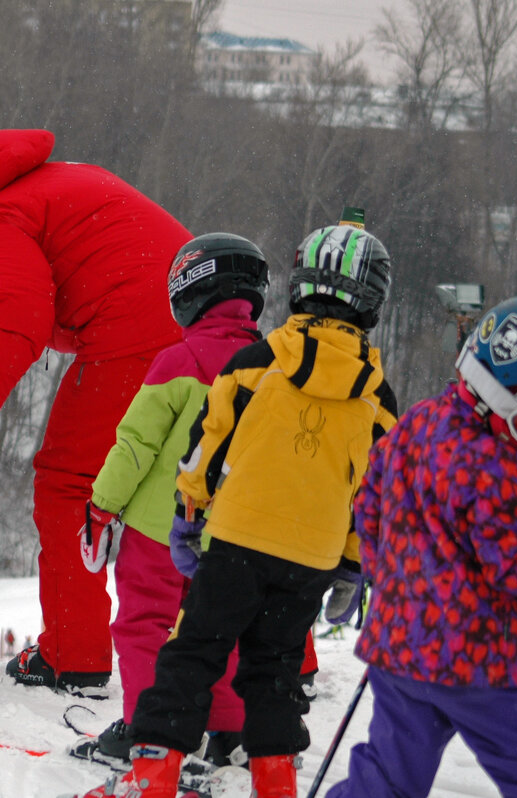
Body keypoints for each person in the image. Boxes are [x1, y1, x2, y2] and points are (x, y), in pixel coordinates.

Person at [69, 223, 398, 798]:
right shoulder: (376, 393)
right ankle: (272, 781)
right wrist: (353, 563)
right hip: (311, 556)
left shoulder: (258, 360)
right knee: (273, 671)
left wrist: (187, 515)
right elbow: (373, 491)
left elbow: (205, 445)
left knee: (190, 652)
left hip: (237, 540)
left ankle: (152, 777)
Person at [0, 128, 192, 695]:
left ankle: (72, 654)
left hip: (133, 331)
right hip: (195, 324)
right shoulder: (42, 186)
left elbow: (18, 320)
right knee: (197, 485)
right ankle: (268, 658)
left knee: (68, 483)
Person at [327, 296, 517, 797]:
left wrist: (397, 581)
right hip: (481, 666)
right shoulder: (497, 466)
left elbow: (369, 508)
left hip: (400, 650)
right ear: (498, 400)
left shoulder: (415, 424)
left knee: (388, 778)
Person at [74, 233, 267, 769]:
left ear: (190, 292)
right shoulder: (270, 368)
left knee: (144, 624)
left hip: (159, 531)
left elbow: (135, 446)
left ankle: (146, 725)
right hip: (231, 534)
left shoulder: (177, 361)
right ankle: (227, 729)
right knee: (221, 627)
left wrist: (101, 506)